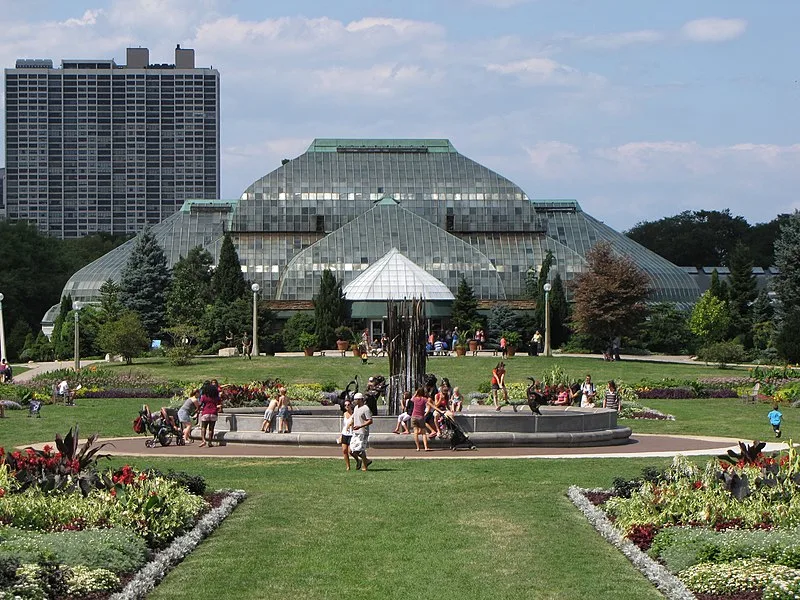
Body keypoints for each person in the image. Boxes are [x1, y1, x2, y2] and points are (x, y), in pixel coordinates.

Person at [351, 393, 373, 470]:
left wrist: (360, 426)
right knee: (351, 451)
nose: (354, 401)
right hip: (355, 432)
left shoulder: (366, 409)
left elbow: (370, 421)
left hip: (363, 432)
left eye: (355, 399)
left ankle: (365, 466)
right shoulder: (356, 408)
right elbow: (353, 418)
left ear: (360, 400)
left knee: (360, 450)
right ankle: (365, 461)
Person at [198, 380, 221, 447]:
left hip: (205, 412)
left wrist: (198, 409)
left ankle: (203, 440)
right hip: (214, 412)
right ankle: (210, 442)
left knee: (203, 427)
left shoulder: (204, 396)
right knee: (211, 428)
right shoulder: (216, 397)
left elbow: (200, 404)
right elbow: (219, 403)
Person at [410, 387, 430, 452]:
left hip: (414, 417)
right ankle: (426, 447)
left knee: (415, 432)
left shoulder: (415, 399)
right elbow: (429, 405)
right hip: (421, 417)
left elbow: (411, 399)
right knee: (424, 433)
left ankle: (418, 447)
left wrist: (416, 393)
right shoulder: (424, 399)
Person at [339, 399, 355, 470]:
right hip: (345, 434)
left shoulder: (354, 414)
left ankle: (358, 460)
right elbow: (344, 425)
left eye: (348, 405)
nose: (347, 406)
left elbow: (353, 422)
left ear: (351, 405)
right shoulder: (344, 414)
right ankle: (348, 466)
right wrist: (341, 435)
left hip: (352, 434)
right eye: (345, 405)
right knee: (344, 451)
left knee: (350, 451)